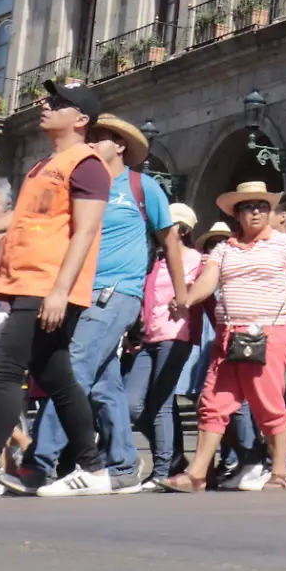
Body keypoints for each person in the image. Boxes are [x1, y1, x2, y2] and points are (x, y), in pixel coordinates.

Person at [0, 80, 112, 501]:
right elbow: (26, 217)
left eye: (59, 102)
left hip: (46, 285)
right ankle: (92, 467)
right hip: (24, 283)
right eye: (49, 99)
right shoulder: (43, 165)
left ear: (81, 119)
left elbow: (85, 231)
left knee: (5, 370)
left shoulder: (85, 164)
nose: (46, 105)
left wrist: (59, 290)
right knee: (58, 378)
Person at [14, 115, 175, 495]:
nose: (92, 145)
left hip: (117, 291)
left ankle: (39, 464)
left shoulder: (141, 186)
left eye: (100, 139)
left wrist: (179, 297)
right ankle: (122, 464)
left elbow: (169, 242)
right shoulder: (84, 183)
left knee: (74, 369)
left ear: (120, 145)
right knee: (106, 384)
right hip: (78, 291)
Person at [161, 181, 286, 492]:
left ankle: (280, 473)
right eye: (248, 207)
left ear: (270, 212)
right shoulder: (223, 248)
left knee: (269, 404)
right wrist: (187, 299)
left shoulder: (284, 245)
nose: (255, 212)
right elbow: (207, 282)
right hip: (230, 335)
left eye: (261, 206)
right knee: (213, 402)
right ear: (237, 214)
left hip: (271, 332)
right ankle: (197, 474)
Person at [125, 202, 204, 487]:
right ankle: (174, 458)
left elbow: (202, 290)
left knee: (160, 404)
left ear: (181, 230)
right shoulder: (155, 259)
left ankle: (162, 470)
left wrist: (187, 296)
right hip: (148, 337)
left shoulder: (196, 260)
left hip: (176, 335)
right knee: (131, 404)